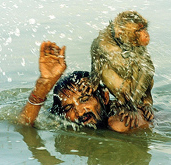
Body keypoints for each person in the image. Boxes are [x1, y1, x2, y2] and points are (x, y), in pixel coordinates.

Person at [19, 41, 153, 133]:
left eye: (84, 100)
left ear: (105, 97)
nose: (79, 111)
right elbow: (23, 125)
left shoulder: (121, 120)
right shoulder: (64, 121)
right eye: (68, 107)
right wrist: (44, 84)